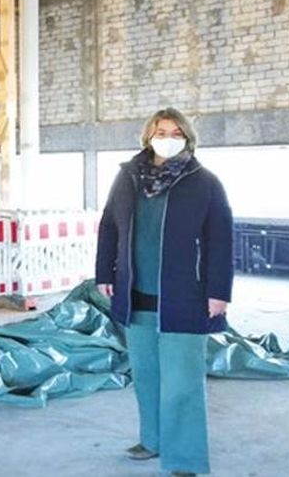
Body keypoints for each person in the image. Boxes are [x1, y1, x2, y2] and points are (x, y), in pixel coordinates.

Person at [96, 107, 233, 477]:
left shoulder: (204, 182)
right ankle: (152, 439)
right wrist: (103, 272)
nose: (167, 138)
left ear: (187, 138)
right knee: (146, 374)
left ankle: (185, 458)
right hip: (135, 295)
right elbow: (109, 226)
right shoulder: (128, 178)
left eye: (175, 132)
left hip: (185, 298)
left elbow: (221, 240)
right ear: (148, 136)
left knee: (183, 381)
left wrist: (219, 291)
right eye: (161, 131)